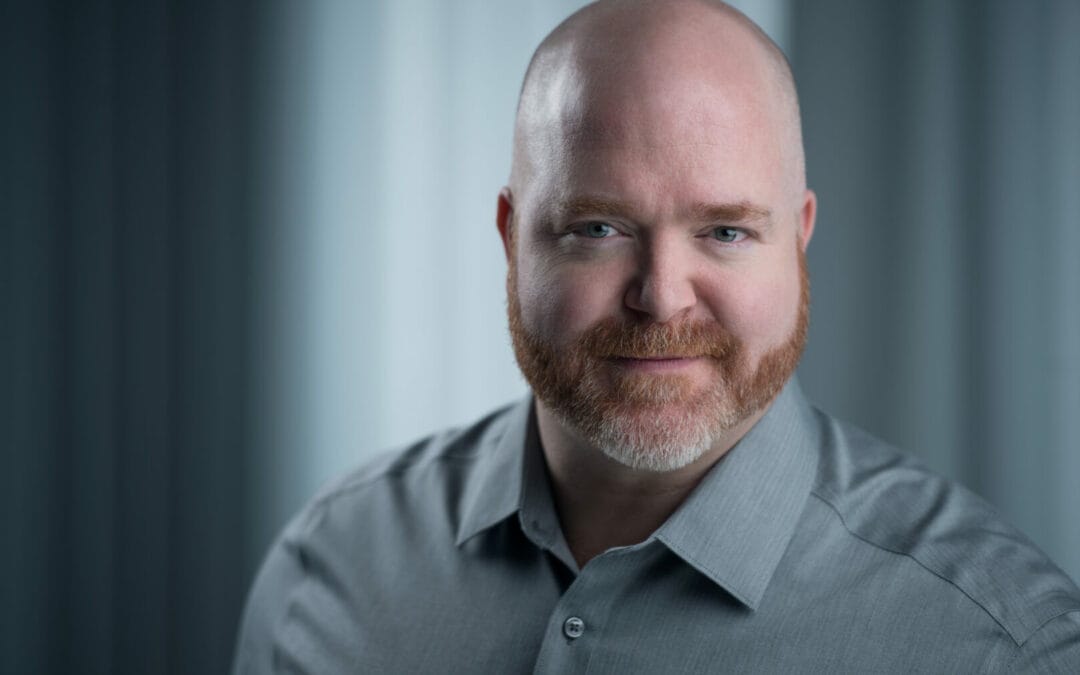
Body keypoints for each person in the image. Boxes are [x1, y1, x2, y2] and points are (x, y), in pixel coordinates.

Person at [233, 1, 1080, 672]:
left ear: (799, 240)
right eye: (598, 228)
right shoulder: (331, 569)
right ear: (510, 237)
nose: (661, 297)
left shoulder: (997, 643)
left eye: (725, 232)